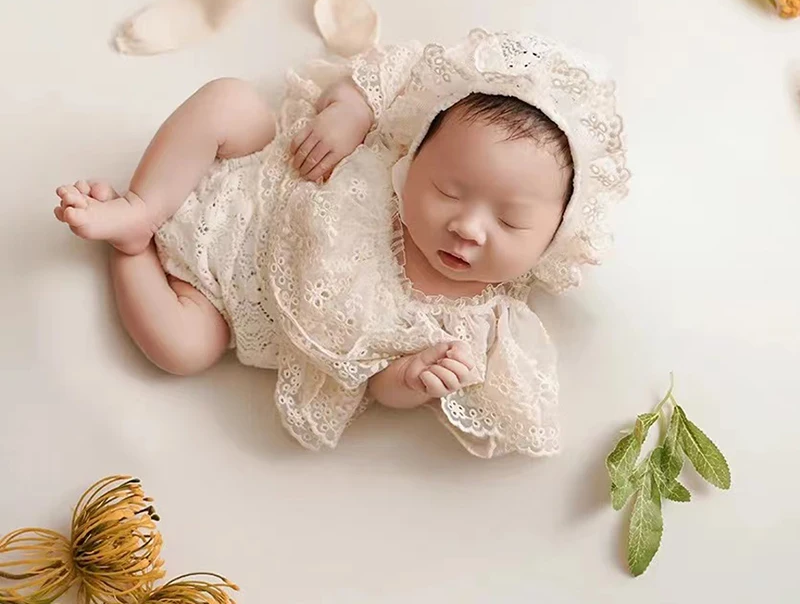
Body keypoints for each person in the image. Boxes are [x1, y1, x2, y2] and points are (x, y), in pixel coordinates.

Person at [54, 29, 630, 457]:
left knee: (184, 349)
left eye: (510, 222)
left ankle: (133, 250)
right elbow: (384, 78)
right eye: (448, 190)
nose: (468, 228)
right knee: (231, 102)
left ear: (555, 238)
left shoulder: (468, 323)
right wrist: (348, 112)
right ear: (412, 155)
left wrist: (411, 380)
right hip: (253, 168)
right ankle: (143, 206)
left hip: (219, 301)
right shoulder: (390, 147)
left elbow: (373, 383)